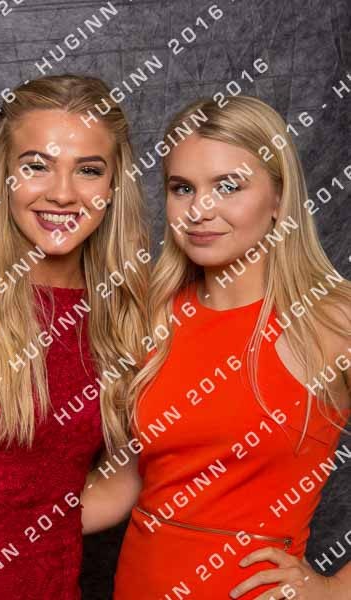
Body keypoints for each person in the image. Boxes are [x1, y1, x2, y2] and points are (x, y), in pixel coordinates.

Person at [81, 95, 351, 599]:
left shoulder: (332, 320)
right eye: (182, 188)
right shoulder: (149, 314)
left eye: (228, 186)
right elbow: (123, 484)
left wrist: (335, 589)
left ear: (279, 198)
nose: (199, 210)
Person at [0, 74, 149, 599]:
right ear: (3, 176)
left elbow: (124, 474)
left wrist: (33, 529)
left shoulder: (123, 314)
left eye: (89, 170)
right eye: (36, 165)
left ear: (113, 186)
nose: (62, 192)